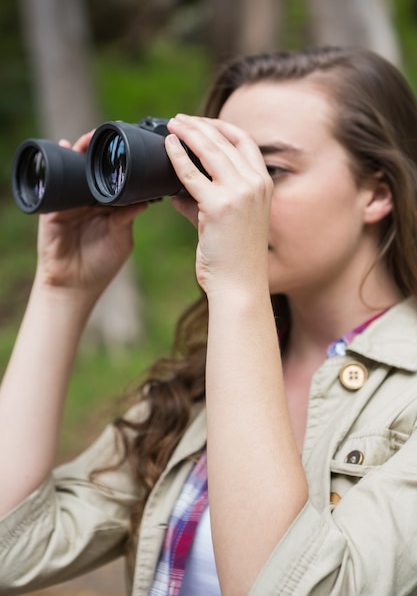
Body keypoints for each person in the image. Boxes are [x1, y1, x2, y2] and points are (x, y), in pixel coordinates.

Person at [1, 45, 417, 596]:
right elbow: (12, 548)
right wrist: (63, 289)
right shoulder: (201, 387)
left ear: (378, 192)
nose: (230, 199)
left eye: (267, 171)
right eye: (216, 169)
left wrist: (238, 286)